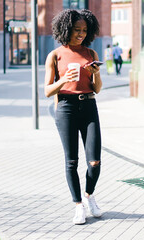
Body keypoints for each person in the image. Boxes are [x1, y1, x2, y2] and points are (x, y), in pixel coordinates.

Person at [44, 9, 103, 225]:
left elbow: (97, 89)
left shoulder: (91, 53)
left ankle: (89, 196)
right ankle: (78, 205)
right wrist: (63, 80)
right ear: (65, 29)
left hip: (89, 106)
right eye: (77, 30)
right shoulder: (55, 55)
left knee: (94, 161)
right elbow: (47, 91)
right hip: (66, 108)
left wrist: (96, 74)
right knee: (72, 161)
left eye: (84, 31)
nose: (80, 34)